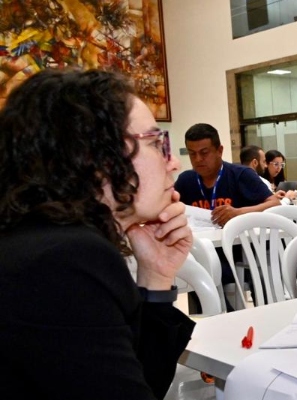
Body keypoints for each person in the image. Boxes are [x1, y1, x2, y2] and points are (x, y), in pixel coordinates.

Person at [0, 69, 194, 398]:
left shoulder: (35, 238)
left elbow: (138, 381)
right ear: (93, 158)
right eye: (155, 142)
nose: (173, 162)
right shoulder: (66, 259)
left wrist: (156, 276)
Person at [175, 123, 280, 227]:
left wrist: (238, 213)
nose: (198, 159)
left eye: (204, 152)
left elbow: (275, 204)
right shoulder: (185, 180)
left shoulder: (241, 174)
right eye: (192, 153)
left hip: (238, 242)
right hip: (201, 242)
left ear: (219, 151)